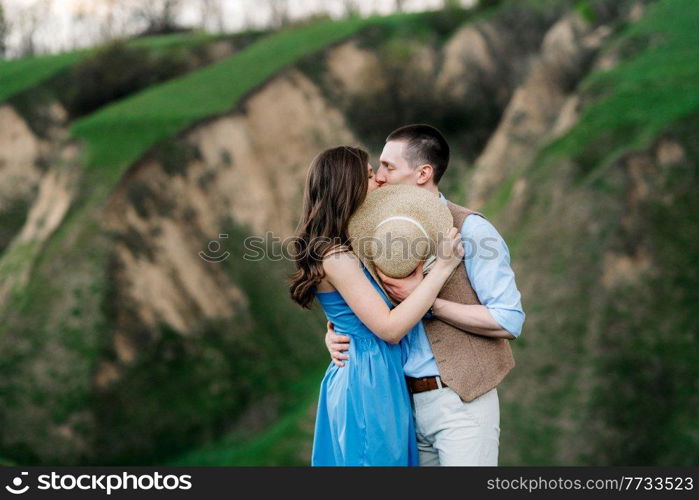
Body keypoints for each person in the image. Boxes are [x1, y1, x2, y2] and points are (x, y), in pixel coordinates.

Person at [325, 125, 525, 466]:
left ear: (423, 173)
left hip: (461, 402)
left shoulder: (473, 230)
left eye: (388, 167)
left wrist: (430, 302)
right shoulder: (371, 232)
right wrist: (335, 335)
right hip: (400, 406)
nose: (381, 178)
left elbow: (508, 319)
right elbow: (364, 306)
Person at [289, 145, 464, 466]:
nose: (379, 181)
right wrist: (441, 269)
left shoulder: (351, 246)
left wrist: (334, 332)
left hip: (376, 373)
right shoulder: (336, 256)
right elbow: (390, 328)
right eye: (369, 176)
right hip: (367, 382)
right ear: (349, 186)